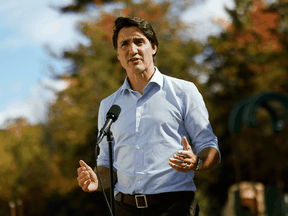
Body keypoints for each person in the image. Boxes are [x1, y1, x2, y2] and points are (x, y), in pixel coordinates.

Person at [77, 17, 221, 216]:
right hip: (124, 209)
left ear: (153, 47)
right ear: (118, 55)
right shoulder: (108, 106)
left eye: (138, 41)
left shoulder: (184, 91)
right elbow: (106, 163)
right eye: (124, 44)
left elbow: (210, 146)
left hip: (175, 208)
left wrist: (196, 161)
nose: (132, 50)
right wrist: (97, 180)